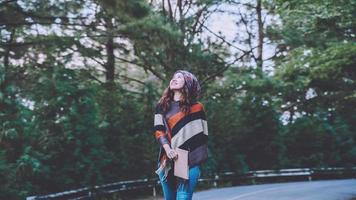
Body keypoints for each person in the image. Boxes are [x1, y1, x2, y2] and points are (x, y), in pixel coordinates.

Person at [153, 70, 209, 200]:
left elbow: (203, 135)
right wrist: (168, 149)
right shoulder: (162, 106)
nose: (174, 79)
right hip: (166, 160)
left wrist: (190, 154)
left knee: (183, 197)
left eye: (179, 77)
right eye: (173, 77)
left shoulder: (197, 107)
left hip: (189, 160)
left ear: (188, 83)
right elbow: (158, 129)